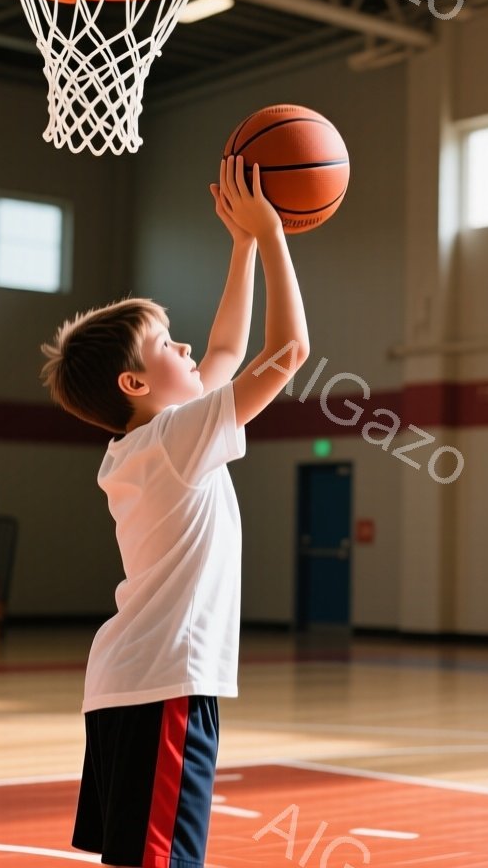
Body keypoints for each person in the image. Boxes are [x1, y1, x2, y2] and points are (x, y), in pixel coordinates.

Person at [38, 156, 310, 867]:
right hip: (164, 679)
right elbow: (288, 352)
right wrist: (274, 234)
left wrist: (242, 245)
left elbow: (226, 348)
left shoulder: (147, 442)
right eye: (165, 344)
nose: (186, 345)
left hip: (131, 680)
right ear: (134, 382)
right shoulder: (171, 441)